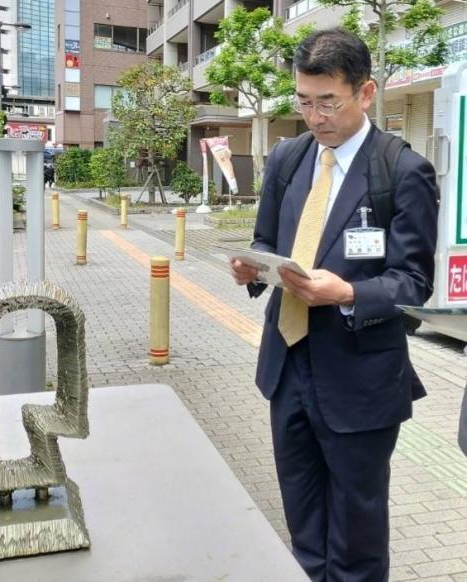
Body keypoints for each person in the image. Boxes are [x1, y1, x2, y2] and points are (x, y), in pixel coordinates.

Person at [230, 28, 438, 581]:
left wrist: (345, 292)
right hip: (287, 366)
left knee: (356, 534)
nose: (315, 117)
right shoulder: (289, 159)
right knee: (303, 523)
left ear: (365, 93)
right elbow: (266, 240)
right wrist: (252, 269)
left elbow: (415, 281)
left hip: (361, 381)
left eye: (328, 102)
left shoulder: (401, 171)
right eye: (303, 101)